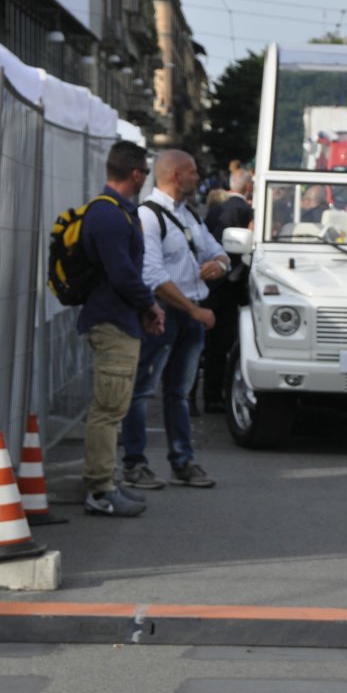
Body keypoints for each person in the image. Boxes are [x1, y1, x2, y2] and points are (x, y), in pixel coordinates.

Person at [120, 150, 230, 492]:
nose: (198, 177)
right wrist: (193, 309)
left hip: (188, 314)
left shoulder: (187, 214)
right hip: (163, 313)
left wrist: (221, 264)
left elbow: (217, 249)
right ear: (176, 176)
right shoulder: (149, 216)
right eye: (193, 172)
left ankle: (182, 462)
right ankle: (135, 464)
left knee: (179, 394)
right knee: (142, 391)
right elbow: (151, 274)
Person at [77, 140, 164, 517]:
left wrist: (143, 306)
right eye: (145, 172)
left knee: (113, 406)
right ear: (135, 174)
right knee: (108, 408)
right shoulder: (110, 216)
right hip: (112, 321)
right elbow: (123, 274)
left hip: (117, 317)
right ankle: (100, 489)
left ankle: (106, 482)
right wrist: (149, 303)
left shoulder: (112, 212)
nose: (145, 178)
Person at [201, 167, 254, 413]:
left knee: (207, 346)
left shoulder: (216, 210)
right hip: (228, 287)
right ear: (248, 187)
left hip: (211, 287)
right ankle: (214, 396)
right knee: (223, 346)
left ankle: (201, 396)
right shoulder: (244, 211)